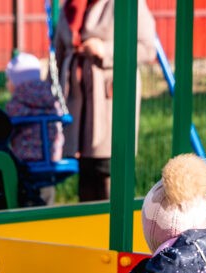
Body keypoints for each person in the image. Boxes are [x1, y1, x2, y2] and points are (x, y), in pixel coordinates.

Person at [54, 0, 156, 202]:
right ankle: (89, 225)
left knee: (107, 168)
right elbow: (58, 53)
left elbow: (147, 48)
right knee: (86, 171)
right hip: (78, 101)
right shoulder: (70, 7)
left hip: (108, 99)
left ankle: (112, 222)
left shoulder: (126, 5)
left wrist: (105, 50)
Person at [4, 52, 64, 205]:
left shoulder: (15, 105)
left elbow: (5, 130)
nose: (6, 84)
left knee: (24, 195)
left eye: (8, 80)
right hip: (50, 157)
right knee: (47, 193)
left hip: (24, 161)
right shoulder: (51, 99)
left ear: (16, 82)